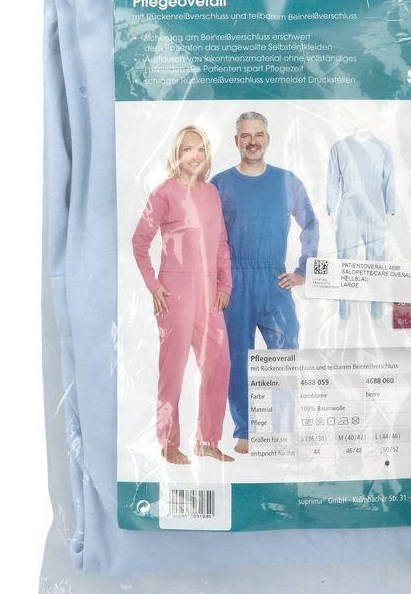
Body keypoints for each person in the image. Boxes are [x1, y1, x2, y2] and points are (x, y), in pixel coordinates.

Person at [212, 112, 319, 454]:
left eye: (259, 135)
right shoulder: (220, 184)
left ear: (268, 139)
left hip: (275, 281)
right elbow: (206, 236)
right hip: (234, 284)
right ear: (236, 141)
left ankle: (284, 429)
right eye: (246, 136)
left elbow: (310, 224)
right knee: (237, 359)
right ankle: (246, 430)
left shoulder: (287, 181)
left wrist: (303, 270)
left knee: (285, 354)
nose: (253, 141)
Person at [132, 126, 234, 464]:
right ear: (177, 153)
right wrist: (153, 285)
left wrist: (225, 285)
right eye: (188, 148)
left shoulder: (211, 193)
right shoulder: (164, 193)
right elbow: (139, 242)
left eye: (201, 149)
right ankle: (168, 443)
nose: (194, 155)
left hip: (209, 294)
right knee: (173, 370)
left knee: (219, 364)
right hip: (174, 293)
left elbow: (221, 243)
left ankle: (208, 440)